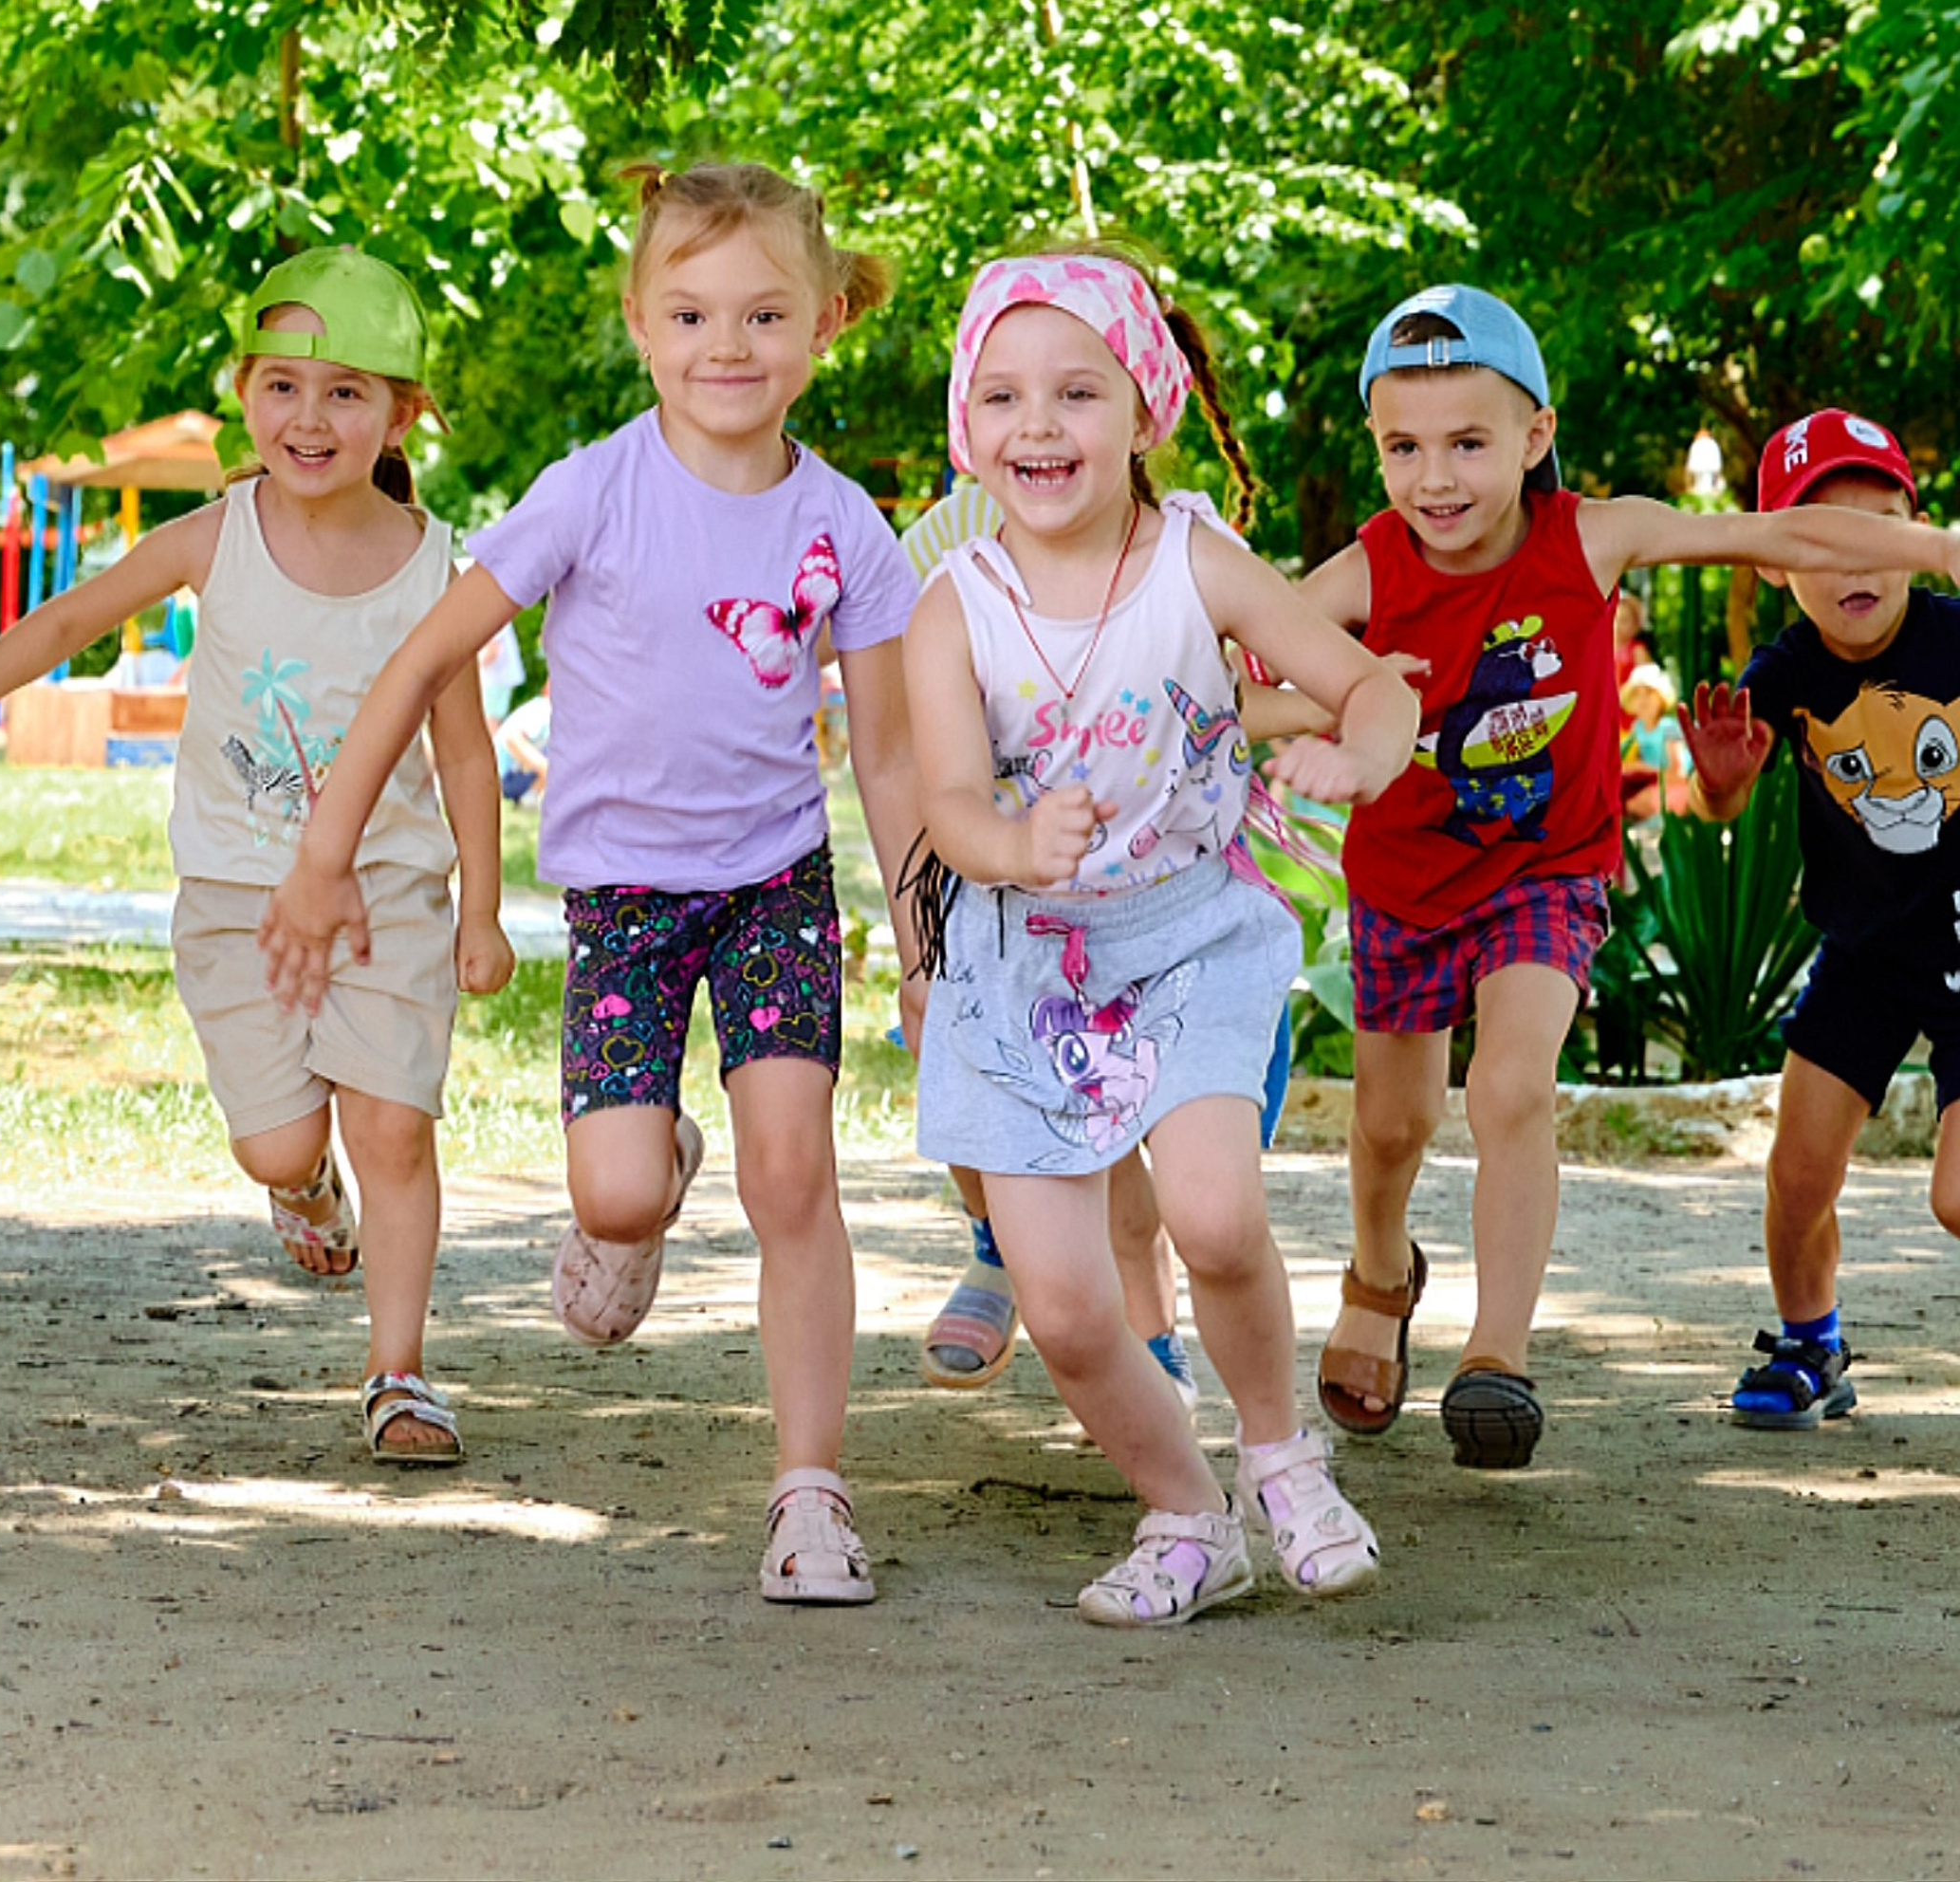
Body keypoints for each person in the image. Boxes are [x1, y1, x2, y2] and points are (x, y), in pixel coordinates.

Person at [261, 160, 928, 1605]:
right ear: (640, 322)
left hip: (776, 889)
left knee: (796, 1173)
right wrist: (326, 855)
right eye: (691, 314)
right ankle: (651, 1178)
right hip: (625, 898)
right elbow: (424, 661)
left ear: (821, 328)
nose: (728, 346)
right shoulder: (593, 491)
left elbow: (888, 751)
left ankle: (810, 1494)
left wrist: (922, 944)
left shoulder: (847, 528)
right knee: (617, 1195)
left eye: (764, 314)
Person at [1301, 288, 1960, 1469]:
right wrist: (1311, 717)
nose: (1434, 478)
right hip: (1403, 876)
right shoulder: (1366, 570)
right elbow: (1243, 656)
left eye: (1467, 443)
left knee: (1509, 1083)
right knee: (1391, 1122)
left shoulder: (1591, 537)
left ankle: (1495, 1354)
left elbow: (1789, 540)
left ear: (1535, 436)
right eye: (1403, 447)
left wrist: (1941, 550)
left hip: (1545, 869)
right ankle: (1379, 1269)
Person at [0, 248, 511, 1464]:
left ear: (401, 411)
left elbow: (470, 753)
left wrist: (480, 908)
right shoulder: (213, 536)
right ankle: (301, 1186)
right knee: (278, 1143)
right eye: (282, 384)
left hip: (388, 900)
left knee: (393, 1127)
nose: (309, 417)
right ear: (243, 392)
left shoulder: (439, 568)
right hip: (239, 901)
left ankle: (400, 1372)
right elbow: (70, 620)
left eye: (344, 391)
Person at [907, 249, 1418, 1626]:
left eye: (1078, 392)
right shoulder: (952, 603)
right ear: (968, 427)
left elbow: (1367, 684)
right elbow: (946, 800)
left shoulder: (1199, 561)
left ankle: (1282, 1462)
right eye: (1002, 396)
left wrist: (1361, 753)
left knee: (1210, 1211)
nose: (1038, 426)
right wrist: (1012, 844)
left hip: (1189, 935)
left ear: (1148, 409)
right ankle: (1187, 1516)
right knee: (1067, 1309)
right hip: (1020, 970)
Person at [1681, 410, 1960, 1429]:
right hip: (1866, 947)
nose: (1853, 561)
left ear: (1916, 533)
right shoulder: (1788, 670)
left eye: (1876, 531)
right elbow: (1721, 794)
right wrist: (1718, 786)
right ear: (1773, 561)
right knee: (1796, 1172)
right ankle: (1810, 1343)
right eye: (1818, 539)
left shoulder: (1952, 633)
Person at [1618, 660, 1692, 822]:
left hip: (1676, 785)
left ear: (1661, 698)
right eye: (1637, 694)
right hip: (1652, 783)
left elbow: (1679, 772)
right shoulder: (1637, 728)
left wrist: (1643, 769)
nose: (1643, 700)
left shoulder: (1669, 727)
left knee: (1636, 804)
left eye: (1649, 693)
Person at [494, 684, 550, 804]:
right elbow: (512, 739)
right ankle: (531, 796)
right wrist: (547, 769)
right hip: (504, 777)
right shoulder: (544, 709)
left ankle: (534, 796)